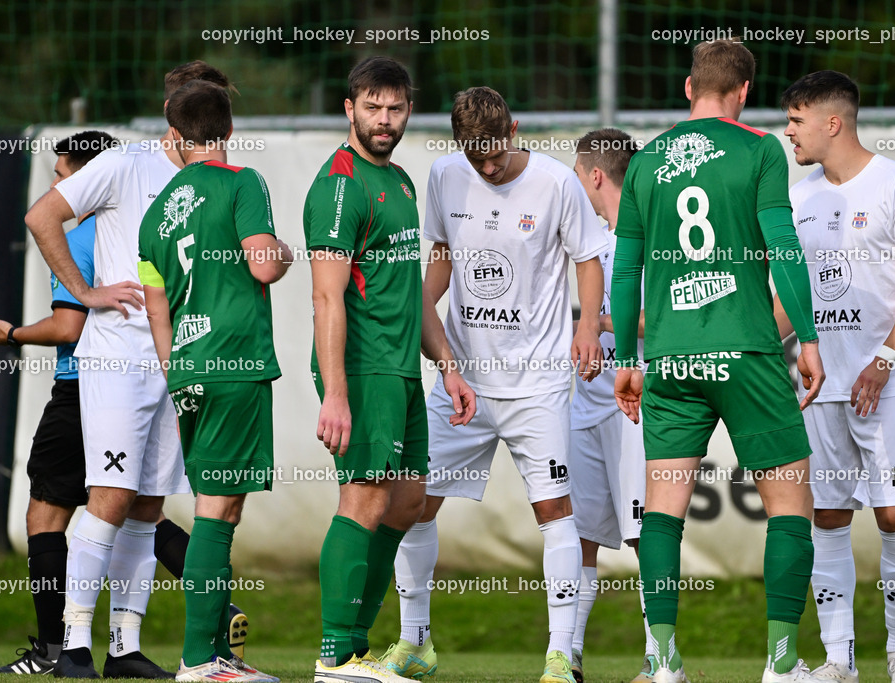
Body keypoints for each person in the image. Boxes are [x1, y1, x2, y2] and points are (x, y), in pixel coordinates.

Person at [610, 39, 827, 683]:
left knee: (663, 509)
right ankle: (782, 664)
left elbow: (626, 270)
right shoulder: (760, 150)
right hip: (747, 352)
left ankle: (664, 661)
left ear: (687, 89)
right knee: (790, 507)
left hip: (672, 360)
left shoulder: (646, 161)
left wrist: (628, 356)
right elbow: (783, 247)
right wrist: (808, 338)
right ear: (743, 94)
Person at [385, 86, 607, 683]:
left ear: (514, 126)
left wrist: (586, 327)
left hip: (536, 382)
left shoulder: (558, 182)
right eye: (474, 156)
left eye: (495, 153)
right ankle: (415, 643)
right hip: (462, 379)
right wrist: (413, 315)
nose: (487, 167)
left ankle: (562, 655)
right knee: (410, 505)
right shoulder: (443, 175)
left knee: (555, 511)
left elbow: (587, 258)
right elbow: (443, 256)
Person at [24, 60, 234, 679]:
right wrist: (84, 293)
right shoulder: (124, 165)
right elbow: (42, 217)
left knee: (147, 505)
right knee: (110, 498)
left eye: (218, 117)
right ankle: (71, 646)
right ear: (173, 118)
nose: (211, 130)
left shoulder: (221, 180)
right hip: (118, 360)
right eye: (199, 115)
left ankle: (124, 649)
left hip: (180, 363)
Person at [303, 56, 475, 683]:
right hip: (363, 370)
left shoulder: (401, 182)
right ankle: (336, 654)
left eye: (395, 108)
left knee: (405, 504)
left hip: (404, 370)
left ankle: (354, 646)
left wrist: (449, 367)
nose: (384, 119)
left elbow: (413, 294)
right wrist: (337, 393)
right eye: (371, 107)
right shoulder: (339, 185)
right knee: (365, 498)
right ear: (349, 109)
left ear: (408, 111)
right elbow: (326, 297)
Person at [776, 70, 895, 683]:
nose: (788, 132)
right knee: (829, 516)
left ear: (832, 122)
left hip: (888, 381)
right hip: (820, 384)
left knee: (894, 514)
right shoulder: (799, 197)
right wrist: (763, 351)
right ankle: (839, 659)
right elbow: (789, 299)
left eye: (796, 120)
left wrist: (885, 359)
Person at [139, 78, 289, 683]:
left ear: (174, 136)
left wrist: (177, 374)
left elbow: (157, 308)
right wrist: (283, 249)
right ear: (229, 131)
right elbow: (263, 264)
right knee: (218, 511)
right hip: (235, 361)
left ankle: (209, 657)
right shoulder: (242, 182)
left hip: (190, 368)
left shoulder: (156, 212)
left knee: (216, 508)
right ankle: (201, 660)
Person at [0, 131, 115, 675]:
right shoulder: (138, 230)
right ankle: (218, 607)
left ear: (84, 179)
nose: (57, 185)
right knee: (130, 510)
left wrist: (12, 335)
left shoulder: (79, 239)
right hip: (135, 388)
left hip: (81, 390)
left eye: (62, 176)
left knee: (46, 513)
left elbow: (67, 325)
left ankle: (53, 650)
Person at [569, 128, 655, 683]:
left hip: (637, 403)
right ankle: (567, 653)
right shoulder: (584, 238)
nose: (576, 185)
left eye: (579, 175)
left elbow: (670, 318)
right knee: (577, 533)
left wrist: (602, 322)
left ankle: (658, 656)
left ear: (595, 176)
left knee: (647, 532)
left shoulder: (653, 235)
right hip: (584, 404)